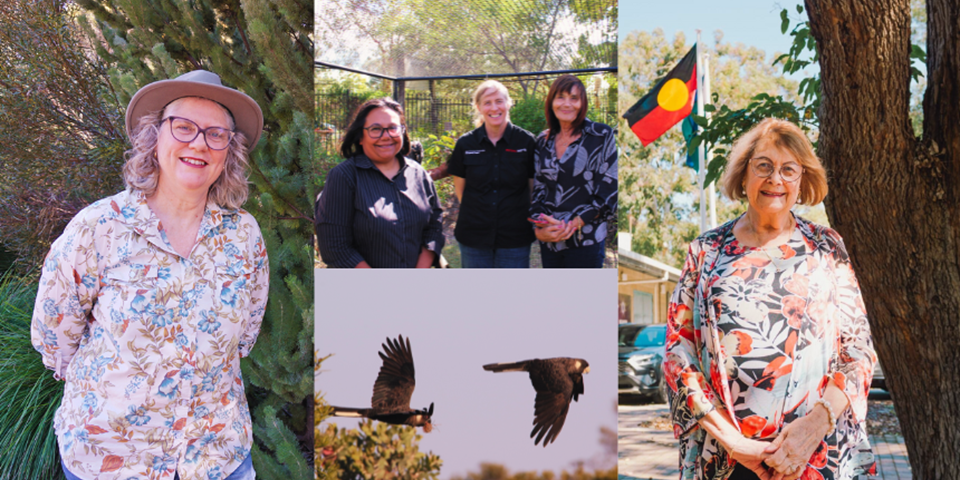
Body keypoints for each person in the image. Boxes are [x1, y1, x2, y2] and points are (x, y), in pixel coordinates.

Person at [31, 70, 267, 480]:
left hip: (216, 459)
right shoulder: (98, 227)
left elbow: (245, 332)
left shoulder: (243, 234)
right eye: (184, 127)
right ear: (153, 137)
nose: (199, 143)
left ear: (229, 152)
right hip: (114, 462)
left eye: (216, 134)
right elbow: (55, 336)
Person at [663, 118, 877, 480]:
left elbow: (858, 352)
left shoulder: (826, 246)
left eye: (788, 169)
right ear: (743, 174)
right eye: (764, 166)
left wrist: (812, 430)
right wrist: (733, 441)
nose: (775, 179)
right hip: (728, 457)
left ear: (802, 180)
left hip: (817, 454)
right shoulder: (706, 251)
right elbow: (677, 354)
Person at [315, 97, 444, 268]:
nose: (386, 136)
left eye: (393, 128)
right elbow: (335, 247)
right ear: (360, 136)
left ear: (402, 133)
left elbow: (434, 225)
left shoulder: (418, 174)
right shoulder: (344, 176)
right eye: (376, 129)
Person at [447, 80, 537, 268]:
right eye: (487, 102)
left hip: (515, 236)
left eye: (499, 101)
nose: (494, 107)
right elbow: (461, 192)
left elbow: (531, 189)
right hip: (474, 236)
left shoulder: (526, 142)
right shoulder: (465, 144)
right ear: (478, 107)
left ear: (508, 103)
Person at [531, 75, 617, 268]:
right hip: (550, 239)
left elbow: (610, 190)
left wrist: (575, 222)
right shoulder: (543, 141)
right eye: (560, 97)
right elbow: (538, 190)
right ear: (551, 102)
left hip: (586, 239)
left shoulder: (600, 136)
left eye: (574, 98)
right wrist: (538, 228)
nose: (567, 104)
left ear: (582, 103)